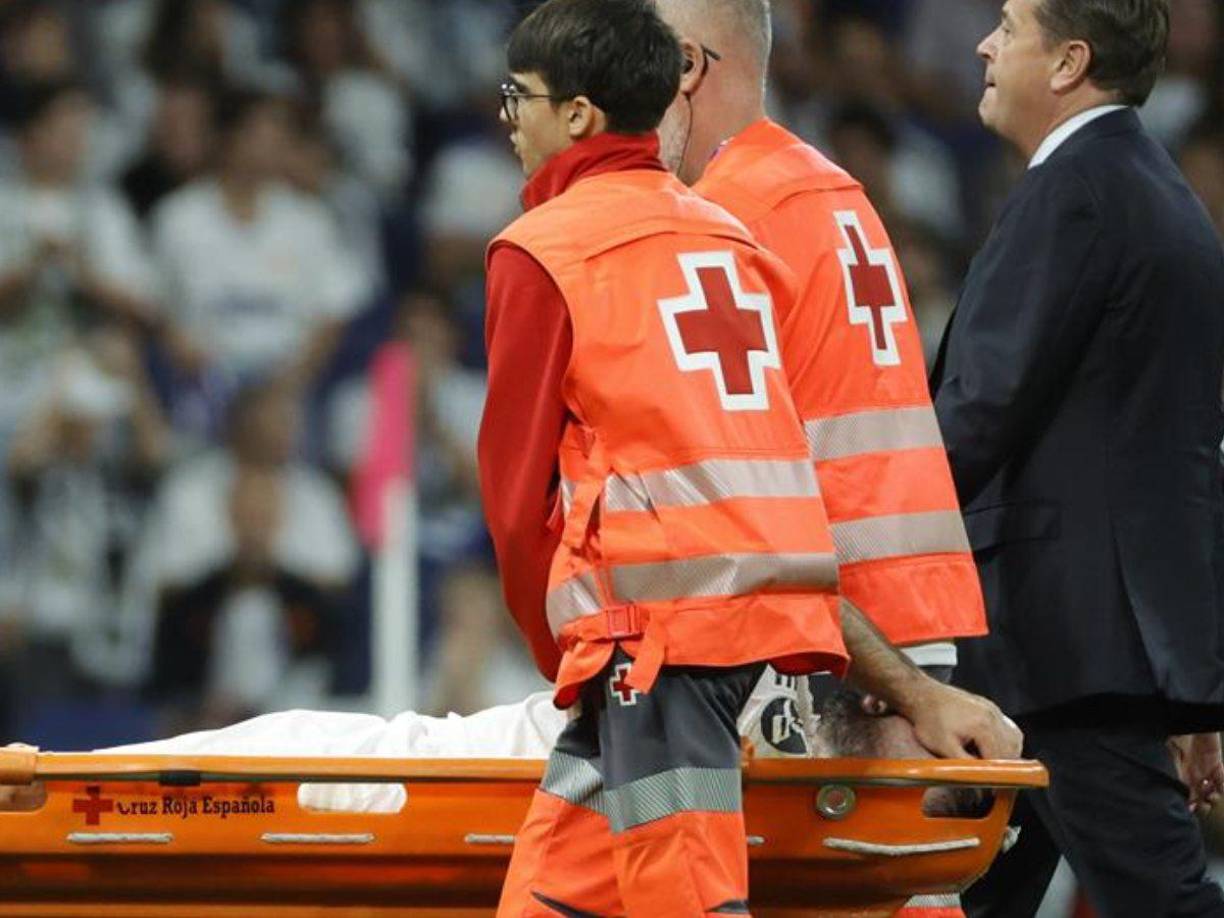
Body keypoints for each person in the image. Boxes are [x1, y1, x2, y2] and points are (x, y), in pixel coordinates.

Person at [478, 1, 1019, 914]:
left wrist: (564, 645)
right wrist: (915, 683)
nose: (504, 119)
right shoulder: (802, 201)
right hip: (840, 611)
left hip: (705, 632)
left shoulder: (672, 222)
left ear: (681, 67)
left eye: (515, 97)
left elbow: (519, 494)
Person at [928, 1, 1224, 915]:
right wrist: (1191, 693)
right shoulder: (1155, 190)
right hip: (1089, 649)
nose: (985, 42)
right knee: (965, 899)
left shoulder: (1077, 193)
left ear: (1068, 63)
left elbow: (980, 408)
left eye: (1010, 26)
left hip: (1056, 651)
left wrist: (858, 536)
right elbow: (1178, 469)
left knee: (1159, 901)